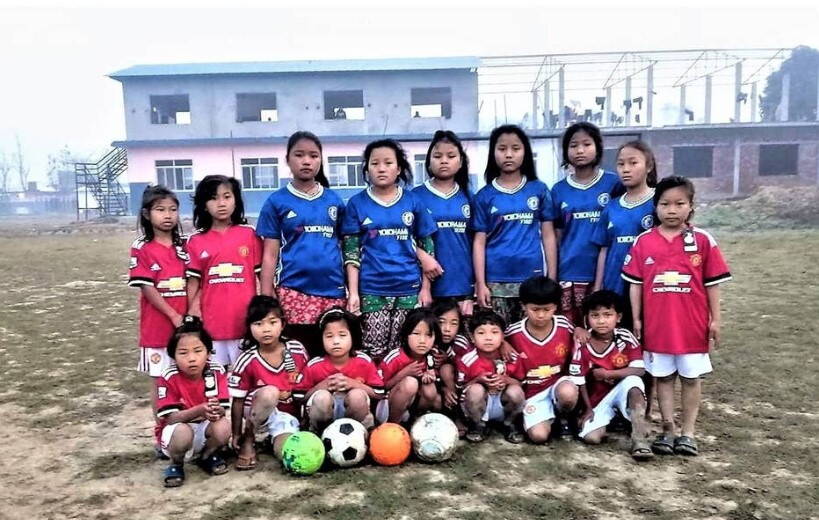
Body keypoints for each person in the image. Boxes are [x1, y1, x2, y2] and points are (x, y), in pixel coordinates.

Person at [622, 176, 732, 456]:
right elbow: (635, 284)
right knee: (664, 379)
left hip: (691, 326)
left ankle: (688, 433)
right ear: (655, 206)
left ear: (691, 206)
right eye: (664, 204)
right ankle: (668, 429)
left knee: (691, 379)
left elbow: (712, 285)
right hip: (657, 327)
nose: (671, 210)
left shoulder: (703, 240)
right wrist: (636, 318)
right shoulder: (644, 242)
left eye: (679, 204)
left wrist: (715, 320)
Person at [341, 139, 437, 361]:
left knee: (402, 351)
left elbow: (426, 246)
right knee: (373, 349)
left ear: (399, 168)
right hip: (372, 289)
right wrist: (354, 293)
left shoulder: (413, 201)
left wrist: (425, 289)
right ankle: (375, 393)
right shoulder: (356, 204)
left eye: (388, 162)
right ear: (367, 169)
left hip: (408, 288)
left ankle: (400, 394)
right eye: (375, 163)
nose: (381, 168)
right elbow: (351, 251)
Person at [257, 131, 346, 356]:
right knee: (297, 355)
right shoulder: (276, 202)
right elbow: (269, 255)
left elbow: (347, 247)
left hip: (332, 291)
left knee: (331, 355)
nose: (306, 161)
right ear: (288, 159)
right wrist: (267, 297)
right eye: (299, 155)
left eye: (313, 156)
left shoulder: (334, 200)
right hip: (293, 291)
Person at [473, 125, 557, 325]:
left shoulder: (539, 190)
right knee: (497, 338)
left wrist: (551, 277)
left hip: (532, 279)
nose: (508, 154)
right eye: (502, 149)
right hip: (495, 280)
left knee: (528, 338)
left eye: (515, 149)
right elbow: (478, 243)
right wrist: (480, 283)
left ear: (525, 152)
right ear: (493, 153)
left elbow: (548, 235)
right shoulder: (484, 195)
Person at [186, 175, 261, 368]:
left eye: (227, 196)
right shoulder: (195, 241)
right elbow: (195, 282)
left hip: (244, 324)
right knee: (216, 384)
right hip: (211, 325)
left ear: (236, 200)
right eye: (213, 198)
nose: (221, 203)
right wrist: (192, 311)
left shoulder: (249, 235)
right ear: (204, 204)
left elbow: (263, 275)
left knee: (243, 381)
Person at [568, 290, 653, 460]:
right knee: (591, 438)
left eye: (608, 315)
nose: (601, 321)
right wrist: (588, 409)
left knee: (634, 381)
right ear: (587, 319)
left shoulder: (625, 337)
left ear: (618, 317)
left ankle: (639, 440)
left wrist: (609, 373)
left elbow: (639, 369)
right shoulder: (582, 343)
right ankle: (617, 420)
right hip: (596, 399)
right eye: (595, 315)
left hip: (620, 390)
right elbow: (579, 380)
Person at [551, 122, 621, 325]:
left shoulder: (614, 184)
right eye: (573, 145)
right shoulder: (558, 190)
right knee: (573, 332)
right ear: (566, 151)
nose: (580, 150)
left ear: (598, 147)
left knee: (604, 330)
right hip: (570, 271)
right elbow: (557, 235)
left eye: (586, 144)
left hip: (607, 272)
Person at [228, 296, 309, 470]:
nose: (266, 329)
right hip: (258, 416)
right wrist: (237, 434)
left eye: (272, 322)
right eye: (258, 324)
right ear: (250, 327)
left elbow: (306, 384)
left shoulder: (296, 349)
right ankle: (250, 439)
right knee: (270, 392)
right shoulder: (247, 359)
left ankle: (270, 441)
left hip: (286, 416)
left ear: (283, 324)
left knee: (287, 452)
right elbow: (238, 400)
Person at [128, 185, 188, 416]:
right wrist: (172, 314)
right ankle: (162, 431)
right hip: (157, 328)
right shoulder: (141, 247)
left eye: (173, 209)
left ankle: (190, 428)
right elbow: (146, 286)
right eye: (160, 209)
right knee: (161, 381)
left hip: (185, 327)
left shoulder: (185, 245)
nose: (168, 215)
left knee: (188, 376)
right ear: (146, 214)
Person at [155, 316, 231, 488]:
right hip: (176, 432)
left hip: (204, 430)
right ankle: (176, 464)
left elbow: (223, 409)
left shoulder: (216, 371)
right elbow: (171, 419)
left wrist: (216, 410)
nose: (191, 358)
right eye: (183, 353)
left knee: (224, 426)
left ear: (209, 352)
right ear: (173, 356)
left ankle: (207, 456)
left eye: (198, 351)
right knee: (182, 432)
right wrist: (199, 410)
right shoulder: (168, 377)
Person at [506, 276, 578, 443]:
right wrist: (503, 343)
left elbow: (578, 337)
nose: (540, 315)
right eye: (535, 309)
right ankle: (524, 419)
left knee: (567, 392)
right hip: (531, 392)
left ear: (556, 307)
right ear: (523, 306)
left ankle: (563, 418)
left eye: (547, 310)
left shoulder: (564, 325)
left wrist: (580, 330)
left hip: (557, 384)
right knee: (539, 437)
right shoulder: (513, 333)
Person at [592, 140, 657, 317]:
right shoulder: (611, 207)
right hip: (615, 284)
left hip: (648, 285)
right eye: (621, 164)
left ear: (649, 166)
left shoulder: (659, 202)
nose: (626, 169)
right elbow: (604, 250)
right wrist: (598, 288)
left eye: (633, 163)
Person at [412, 130, 475, 316]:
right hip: (426, 288)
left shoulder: (470, 198)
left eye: (451, 156)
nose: (444, 160)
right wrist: (422, 256)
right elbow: (402, 237)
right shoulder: (415, 197)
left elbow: (479, 243)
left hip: (463, 286)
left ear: (461, 161)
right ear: (429, 162)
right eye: (437, 156)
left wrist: (475, 288)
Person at [293, 307, 384, 432]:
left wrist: (353, 384)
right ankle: (318, 434)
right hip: (323, 414)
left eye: (342, 335)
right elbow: (298, 396)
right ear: (321, 339)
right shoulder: (314, 365)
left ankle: (358, 434)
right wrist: (321, 386)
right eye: (329, 336)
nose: (336, 341)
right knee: (322, 397)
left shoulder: (364, 361)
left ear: (353, 336)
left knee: (357, 396)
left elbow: (379, 393)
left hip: (355, 415)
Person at [456, 309, 525, 443]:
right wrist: (478, 380)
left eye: (494, 332)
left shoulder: (512, 357)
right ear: (472, 337)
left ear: (503, 336)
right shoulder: (467, 360)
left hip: (503, 403)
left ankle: (509, 424)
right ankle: (478, 425)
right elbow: (460, 388)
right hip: (480, 405)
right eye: (481, 333)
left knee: (516, 392)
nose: (488, 338)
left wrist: (507, 380)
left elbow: (523, 383)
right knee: (475, 390)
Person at [377, 308, 443, 424]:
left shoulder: (432, 357)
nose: (422, 341)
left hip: (413, 404)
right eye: (416, 334)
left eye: (429, 335)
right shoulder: (395, 357)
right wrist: (404, 374)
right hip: (387, 405)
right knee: (410, 383)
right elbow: (380, 389)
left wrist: (430, 378)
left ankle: (415, 420)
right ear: (406, 334)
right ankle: (393, 425)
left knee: (433, 393)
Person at [432, 298, 472, 435]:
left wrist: (450, 359)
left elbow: (467, 372)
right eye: (441, 322)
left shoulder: (461, 344)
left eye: (453, 323)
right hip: (435, 391)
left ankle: (458, 415)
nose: (447, 329)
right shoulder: (427, 340)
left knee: (447, 369)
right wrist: (443, 389)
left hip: (459, 391)